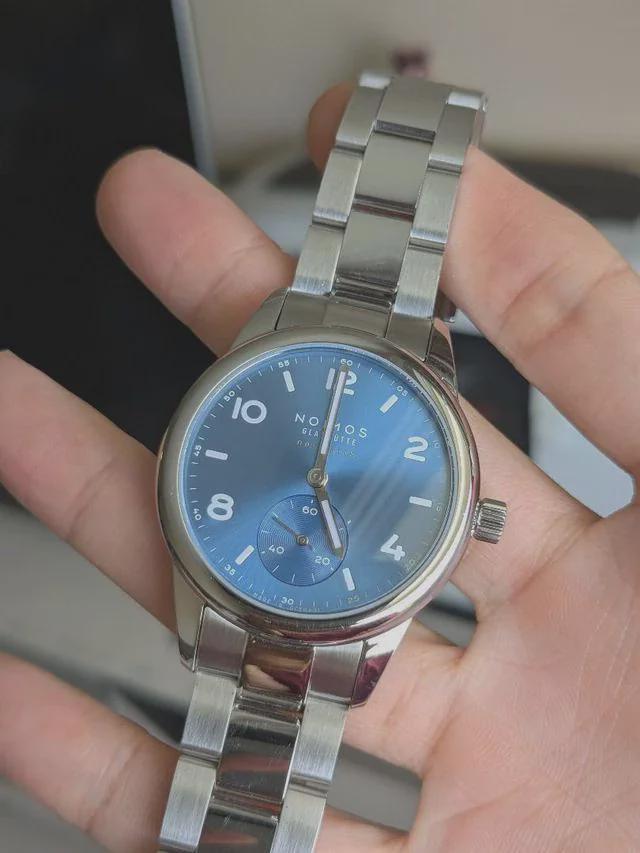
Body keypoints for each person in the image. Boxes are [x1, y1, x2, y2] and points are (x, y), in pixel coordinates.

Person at [0, 83, 638, 853]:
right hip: (235, 576)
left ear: (473, 517)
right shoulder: (264, 393)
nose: (317, 479)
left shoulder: (402, 473)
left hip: (297, 595)